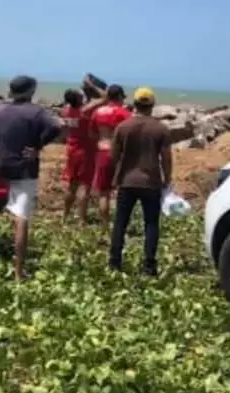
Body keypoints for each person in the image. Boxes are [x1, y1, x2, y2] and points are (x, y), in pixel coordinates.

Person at [0, 75, 61, 281]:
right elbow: (57, 126)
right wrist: (38, 146)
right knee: (23, 219)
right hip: (24, 168)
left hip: (2, 166)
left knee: (2, 197)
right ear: (31, 91)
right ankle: (19, 272)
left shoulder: (1, 113)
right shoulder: (37, 112)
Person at [108, 86, 172, 275]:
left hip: (126, 181)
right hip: (151, 182)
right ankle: (149, 266)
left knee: (120, 223)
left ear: (134, 104)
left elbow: (114, 156)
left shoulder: (122, 127)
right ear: (152, 105)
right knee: (151, 224)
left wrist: (114, 178)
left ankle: (114, 263)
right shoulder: (160, 128)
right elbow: (166, 158)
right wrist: (167, 179)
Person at [59, 87, 106, 223]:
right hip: (86, 150)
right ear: (79, 99)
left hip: (72, 149)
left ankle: (65, 216)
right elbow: (104, 97)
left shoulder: (65, 111)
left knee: (72, 184)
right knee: (85, 185)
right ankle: (81, 219)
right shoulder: (84, 111)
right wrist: (91, 84)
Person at [90, 84, 133, 221]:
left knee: (104, 193)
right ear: (120, 97)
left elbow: (92, 133)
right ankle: (121, 224)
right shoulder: (124, 113)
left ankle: (104, 226)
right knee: (123, 191)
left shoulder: (97, 112)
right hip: (121, 154)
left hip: (103, 150)